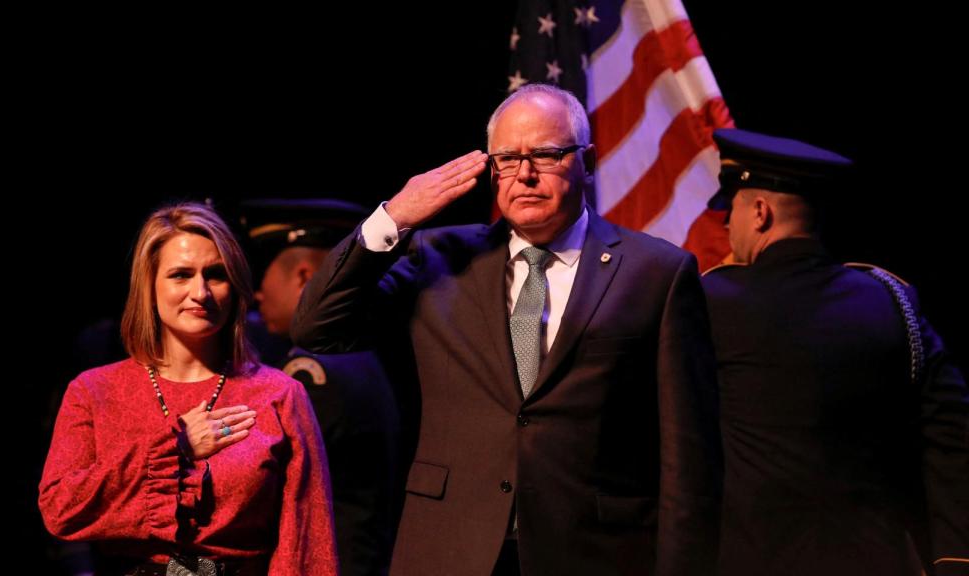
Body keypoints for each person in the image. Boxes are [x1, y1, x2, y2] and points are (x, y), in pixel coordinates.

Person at [291, 83, 721, 576]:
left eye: (546, 153)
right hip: (451, 548)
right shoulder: (438, 259)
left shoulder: (656, 273)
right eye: (507, 159)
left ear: (587, 161)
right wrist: (395, 216)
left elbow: (689, 457)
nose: (525, 175)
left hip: (595, 551)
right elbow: (316, 326)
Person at [701, 128, 969, 576]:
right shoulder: (892, 301)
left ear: (761, 213)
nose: (726, 225)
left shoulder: (709, 302)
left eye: (732, 210)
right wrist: (955, 559)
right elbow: (952, 435)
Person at [39, 202, 338, 576]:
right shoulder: (95, 391)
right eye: (180, 275)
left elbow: (307, 540)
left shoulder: (278, 394)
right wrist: (177, 448)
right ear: (149, 286)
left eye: (215, 275)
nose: (200, 292)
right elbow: (60, 510)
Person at [240, 198, 402, 576]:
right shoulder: (361, 353)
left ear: (301, 275)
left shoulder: (312, 368)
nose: (258, 295)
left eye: (264, 277)